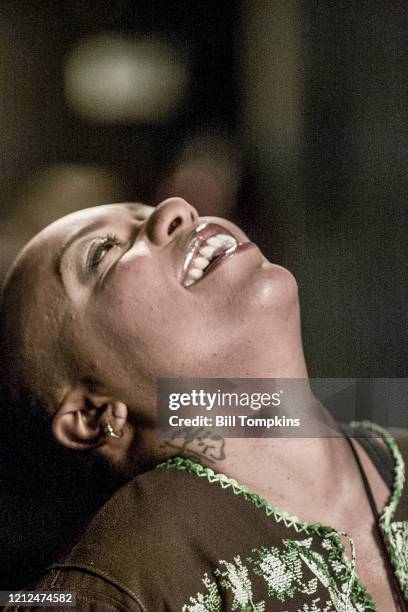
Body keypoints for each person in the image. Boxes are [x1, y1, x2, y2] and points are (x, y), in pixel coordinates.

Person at [1, 198, 407, 611]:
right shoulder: (118, 587)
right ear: (92, 414)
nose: (176, 209)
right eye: (102, 252)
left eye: (143, 211)